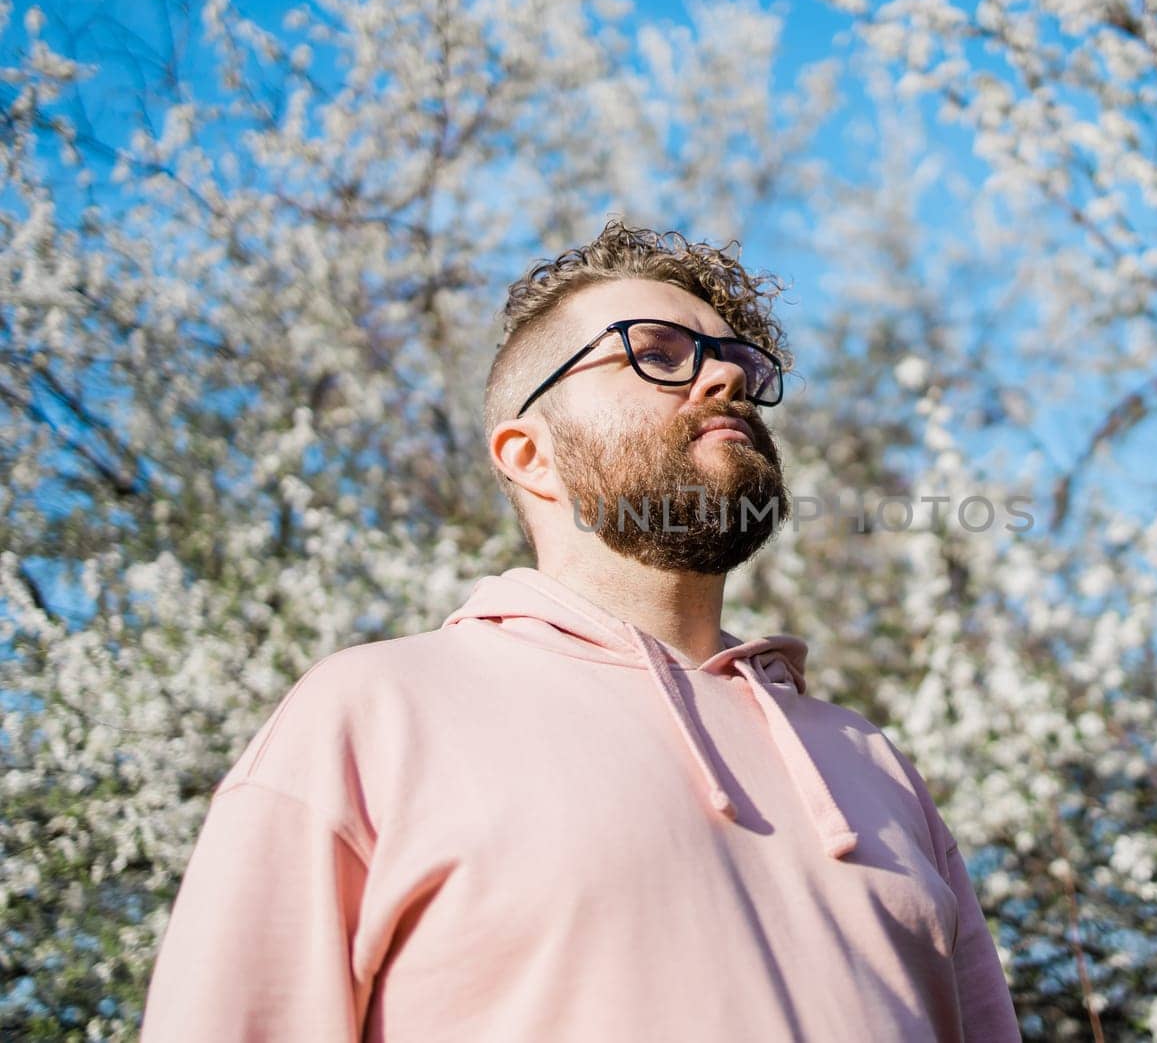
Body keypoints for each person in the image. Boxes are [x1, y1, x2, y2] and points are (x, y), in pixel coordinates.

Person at [140, 221, 1023, 1042]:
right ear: (530, 453)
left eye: (736, 364)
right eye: (658, 353)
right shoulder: (370, 716)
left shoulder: (871, 761)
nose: (722, 380)